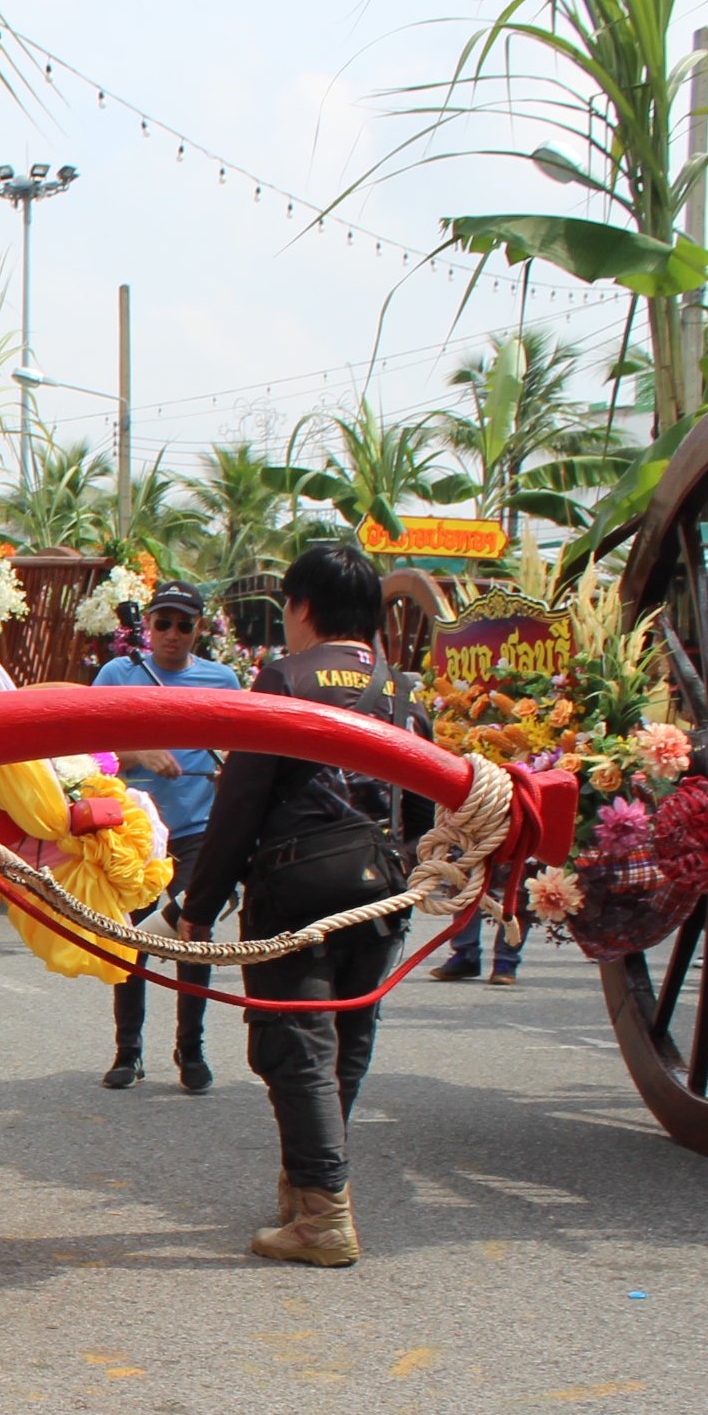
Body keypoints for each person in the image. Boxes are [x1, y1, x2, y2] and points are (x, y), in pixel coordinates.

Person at [175, 540, 433, 1268]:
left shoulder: (282, 679)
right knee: (346, 1045)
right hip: (380, 890)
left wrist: (203, 902)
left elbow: (242, 798)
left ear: (304, 607)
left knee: (297, 1048)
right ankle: (306, 1189)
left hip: (295, 888)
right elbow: (422, 806)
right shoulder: (401, 689)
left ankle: (323, 1214)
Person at [89, 582, 242, 1090]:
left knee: (193, 934)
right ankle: (127, 1051)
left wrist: (231, 772)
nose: (172, 635)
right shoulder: (118, 674)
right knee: (132, 940)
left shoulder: (223, 680)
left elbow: (246, 752)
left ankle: (191, 1050)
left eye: (184, 624)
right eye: (162, 623)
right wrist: (139, 755)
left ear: (200, 628)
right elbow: (85, 753)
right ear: (147, 626)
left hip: (201, 832)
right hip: (135, 829)